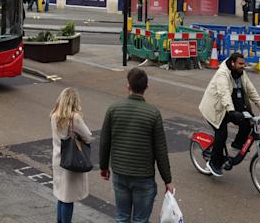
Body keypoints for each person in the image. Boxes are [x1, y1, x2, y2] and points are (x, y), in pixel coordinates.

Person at [99, 68, 173, 223]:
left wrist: (104, 167)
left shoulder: (113, 109)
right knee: (140, 220)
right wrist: (167, 180)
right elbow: (160, 150)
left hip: (120, 172)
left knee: (122, 217)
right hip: (143, 176)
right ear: (147, 87)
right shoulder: (153, 114)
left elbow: (105, 141)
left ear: (128, 86)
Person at [199, 52, 260, 178]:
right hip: (216, 109)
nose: (243, 66)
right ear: (232, 63)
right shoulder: (222, 74)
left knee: (248, 122)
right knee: (221, 133)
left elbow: (250, 90)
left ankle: (236, 147)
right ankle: (213, 163)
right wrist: (232, 112)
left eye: (244, 63)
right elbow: (224, 93)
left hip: (230, 107)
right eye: (241, 64)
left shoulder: (240, 73)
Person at [50, 88, 93, 223]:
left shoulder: (54, 115)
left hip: (58, 159)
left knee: (61, 197)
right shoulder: (74, 118)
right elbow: (88, 136)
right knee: (68, 199)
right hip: (70, 159)